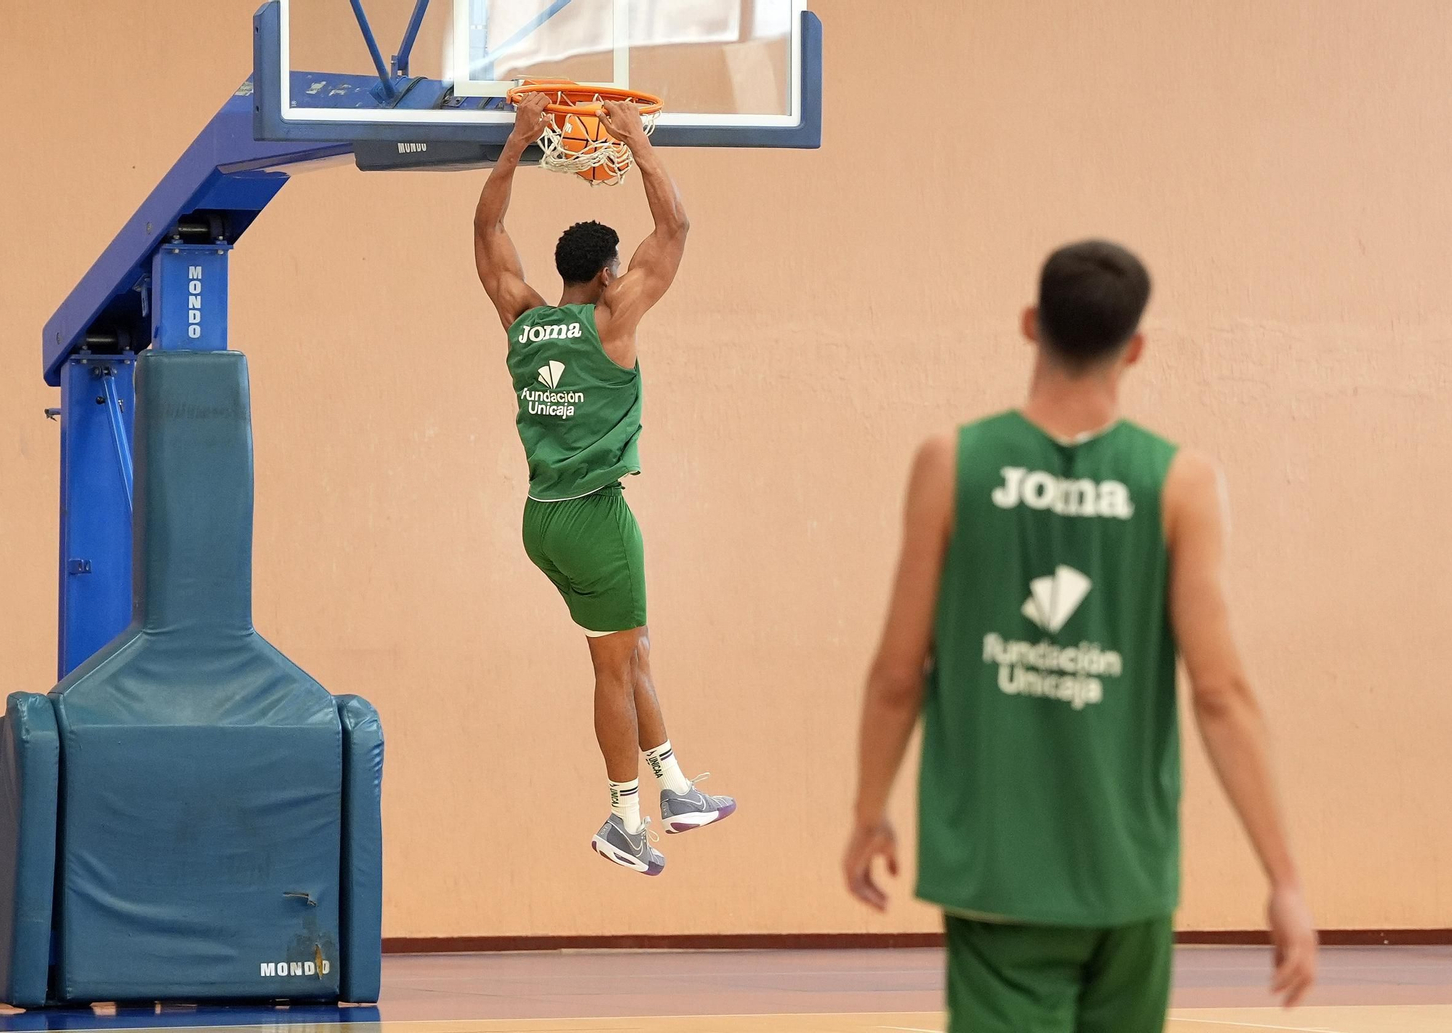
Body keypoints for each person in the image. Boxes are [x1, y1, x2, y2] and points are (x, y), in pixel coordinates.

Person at [844, 240, 1318, 1031]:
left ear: (1031, 324)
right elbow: (1222, 694)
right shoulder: (1180, 483)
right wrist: (1285, 879)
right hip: (1126, 873)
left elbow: (898, 672)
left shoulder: (951, 462)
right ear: (1133, 348)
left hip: (996, 870)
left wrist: (869, 812)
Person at [473, 93, 735, 876]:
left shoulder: (521, 315)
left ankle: (676, 789)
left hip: (541, 519)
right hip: (593, 517)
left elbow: (487, 233)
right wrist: (637, 144)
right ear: (608, 270)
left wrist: (520, 142)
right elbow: (677, 230)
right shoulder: (614, 319)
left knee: (630, 652)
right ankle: (626, 817)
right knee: (616, 667)